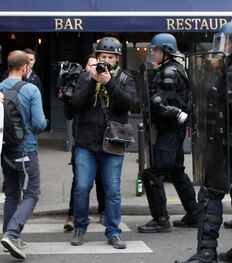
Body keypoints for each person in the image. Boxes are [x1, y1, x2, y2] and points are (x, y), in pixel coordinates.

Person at [69, 36, 138, 249]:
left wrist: (108, 83)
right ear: (96, 57)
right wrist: (92, 81)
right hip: (86, 142)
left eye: (110, 57)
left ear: (117, 60)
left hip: (113, 142)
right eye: (102, 56)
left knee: (113, 190)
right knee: (82, 187)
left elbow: (130, 104)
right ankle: (80, 226)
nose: (106, 60)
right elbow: (76, 106)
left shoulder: (125, 79)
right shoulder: (84, 78)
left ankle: (113, 231)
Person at [176, 22, 232, 263]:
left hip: (224, 145)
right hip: (219, 142)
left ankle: (207, 251)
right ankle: (207, 250)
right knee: (210, 194)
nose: (222, 48)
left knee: (210, 194)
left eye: (227, 42)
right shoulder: (221, 71)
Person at [137, 33, 199, 234]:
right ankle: (194, 213)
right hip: (173, 130)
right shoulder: (172, 68)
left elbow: (159, 103)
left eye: (155, 49)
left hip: (169, 131)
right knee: (176, 171)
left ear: (166, 51)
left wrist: (153, 105)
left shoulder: (170, 72)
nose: (152, 52)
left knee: (153, 174)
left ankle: (161, 219)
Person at [0, 50, 47, 260]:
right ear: (25, 67)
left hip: (5, 151)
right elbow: (39, 123)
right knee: (32, 193)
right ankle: (11, 233)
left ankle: (9, 236)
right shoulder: (31, 89)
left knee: (11, 193)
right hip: (25, 149)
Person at [60, 55, 106, 231]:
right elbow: (69, 114)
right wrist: (66, 98)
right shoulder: (80, 83)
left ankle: (104, 211)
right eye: (91, 64)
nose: (94, 68)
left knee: (102, 178)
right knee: (79, 181)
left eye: (97, 65)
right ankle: (73, 215)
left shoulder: (106, 82)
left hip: (102, 139)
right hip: (81, 139)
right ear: (86, 67)